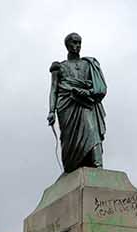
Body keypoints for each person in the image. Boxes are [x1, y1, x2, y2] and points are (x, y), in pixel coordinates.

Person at [47, 33, 107, 173]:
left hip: (86, 103)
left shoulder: (89, 64)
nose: (77, 46)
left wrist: (88, 92)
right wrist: (51, 111)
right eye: (74, 43)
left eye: (79, 43)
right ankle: (72, 169)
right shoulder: (59, 67)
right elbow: (54, 90)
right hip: (67, 105)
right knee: (69, 140)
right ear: (67, 45)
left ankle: (98, 167)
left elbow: (100, 88)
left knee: (92, 132)